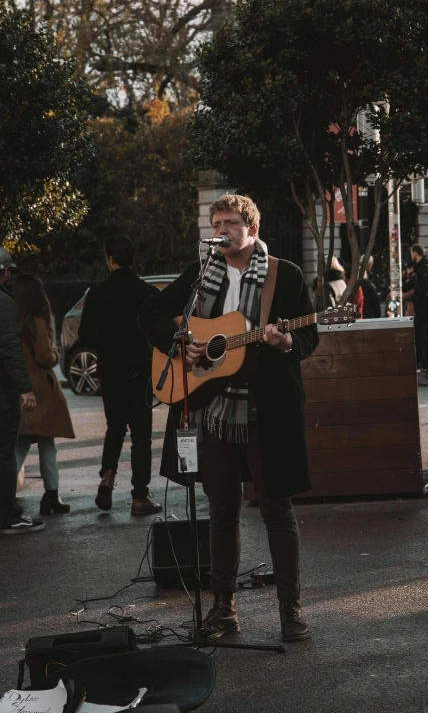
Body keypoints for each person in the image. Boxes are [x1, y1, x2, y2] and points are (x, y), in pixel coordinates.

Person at [138, 193, 319, 643]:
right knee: (222, 510)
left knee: (277, 508)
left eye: (230, 222)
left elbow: (310, 337)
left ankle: (291, 610)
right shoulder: (203, 274)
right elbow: (151, 313)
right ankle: (223, 610)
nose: (221, 229)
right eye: (216, 222)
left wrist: (284, 344)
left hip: (267, 409)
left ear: (252, 229)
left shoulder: (286, 275)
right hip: (213, 410)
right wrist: (182, 342)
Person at [79, 235, 161, 515]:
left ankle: (107, 475)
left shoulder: (97, 294)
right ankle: (140, 498)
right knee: (141, 437)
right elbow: (160, 333)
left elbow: (85, 335)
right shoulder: (147, 292)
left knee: (115, 426)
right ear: (132, 259)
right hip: (140, 371)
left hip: (111, 370)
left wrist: (106, 344)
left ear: (110, 260)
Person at [13, 275, 75, 516]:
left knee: (20, 444)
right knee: (47, 445)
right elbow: (43, 357)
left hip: (20, 386)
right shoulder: (37, 321)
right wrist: (56, 354)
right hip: (41, 391)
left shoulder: (12, 320)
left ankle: (6, 495)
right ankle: (51, 496)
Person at [0, 249, 43, 534]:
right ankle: (7, 515)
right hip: (3, 390)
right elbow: (9, 348)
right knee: (4, 452)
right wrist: (25, 387)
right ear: (3, 272)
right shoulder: (4, 303)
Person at [410, 244, 428, 373]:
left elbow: (426, 288)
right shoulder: (421, 268)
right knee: (422, 336)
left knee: (426, 337)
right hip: (423, 309)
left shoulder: (424, 268)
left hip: (425, 309)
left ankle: (427, 364)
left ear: (415, 253)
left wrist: (417, 299)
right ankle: (425, 363)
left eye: (411, 254)